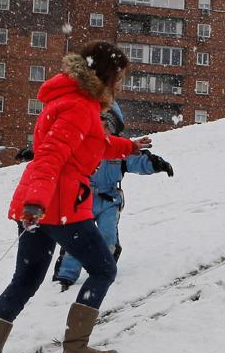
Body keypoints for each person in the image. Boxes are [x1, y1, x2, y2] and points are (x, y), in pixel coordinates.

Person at [0, 41, 152, 353]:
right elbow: (50, 155)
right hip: (59, 204)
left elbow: (93, 140)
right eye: (120, 77)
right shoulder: (81, 107)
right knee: (103, 269)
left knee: (25, 280)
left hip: (40, 204)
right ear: (106, 75)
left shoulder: (68, 100)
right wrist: (37, 203)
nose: (120, 85)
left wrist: (130, 146)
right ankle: (76, 347)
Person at [51, 102, 174, 291]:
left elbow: (138, 161)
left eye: (108, 126)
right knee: (77, 237)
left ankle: (103, 268)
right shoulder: (82, 143)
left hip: (109, 200)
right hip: (82, 199)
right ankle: (66, 275)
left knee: (107, 235)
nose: (103, 130)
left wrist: (157, 164)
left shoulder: (120, 148)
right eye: (99, 124)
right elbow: (56, 153)